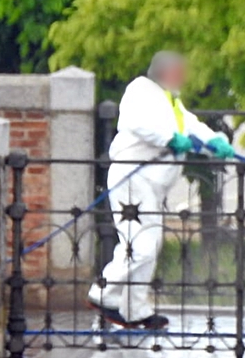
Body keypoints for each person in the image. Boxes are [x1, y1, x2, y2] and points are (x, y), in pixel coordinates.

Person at [87, 51, 236, 329]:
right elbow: (137, 124)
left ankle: (134, 309)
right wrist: (170, 139)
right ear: (164, 71)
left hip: (151, 184)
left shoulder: (172, 101)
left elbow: (192, 128)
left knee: (148, 244)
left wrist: (216, 142)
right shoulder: (139, 90)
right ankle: (103, 293)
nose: (183, 76)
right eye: (179, 71)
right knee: (139, 245)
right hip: (133, 177)